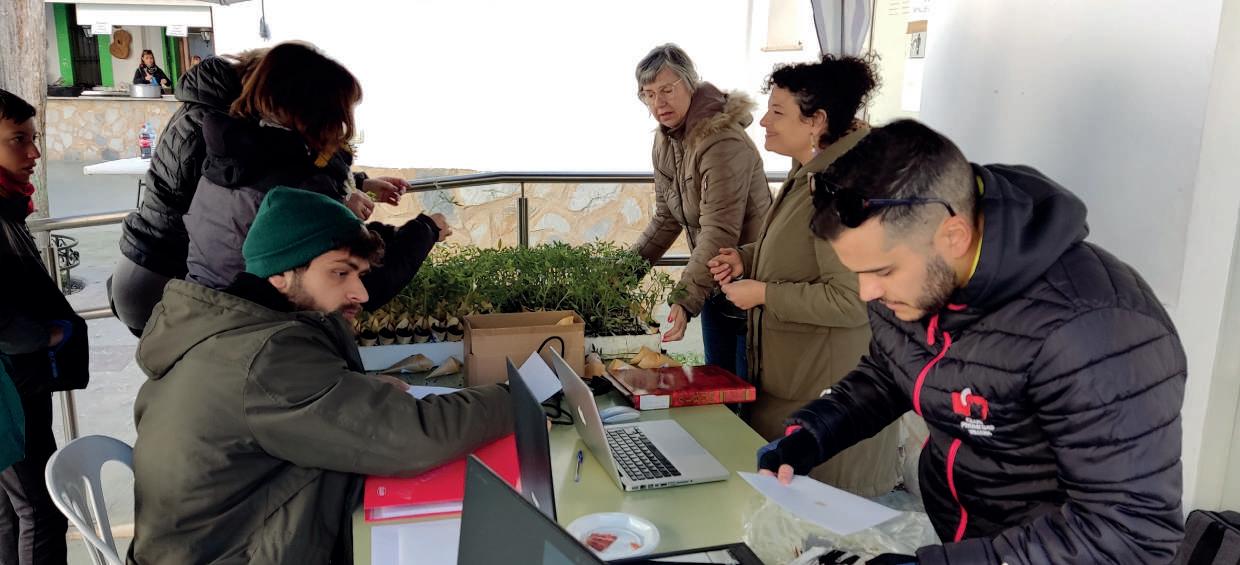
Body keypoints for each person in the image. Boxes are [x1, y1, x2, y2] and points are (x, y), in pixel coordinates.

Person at [757, 119, 1186, 564]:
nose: (867, 292)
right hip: (964, 538)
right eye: (857, 272)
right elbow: (892, 370)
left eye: (882, 271)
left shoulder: (1094, 330)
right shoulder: (916, 283)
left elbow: (1130, 531)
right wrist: (814, 433)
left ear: (954, 236)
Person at [128, 187, 513, 564]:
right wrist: (518, 400)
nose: (361, 293)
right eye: (340, 273)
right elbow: (414, 437)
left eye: (359, 274)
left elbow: (281, 404)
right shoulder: (268, 359)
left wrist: (349, 391)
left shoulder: (234, 335)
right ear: (280, 274)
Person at [112, 48, 408, 335]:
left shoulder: (225, 128)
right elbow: (265, 192)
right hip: (166, 278)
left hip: (180, 285)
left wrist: (357, 184)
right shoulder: (217, 133)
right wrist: (339, 204)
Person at [707, 56, 899, 497]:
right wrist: (746, 259)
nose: (764, 122)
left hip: (824, 409)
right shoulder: (809, 171)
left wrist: (763, 294)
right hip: (793, 391)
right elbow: (798, 252)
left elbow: (850, 300)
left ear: (816, 122)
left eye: (777, 112)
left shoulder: (842, 187)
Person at [629, 44, 771, 380]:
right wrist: (618, 276)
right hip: (714, 282)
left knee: (744, 396)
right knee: (718, 389)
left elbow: (719, 231)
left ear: (690, 84)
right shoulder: (666, 140)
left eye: (667, 90)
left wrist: (685, 297)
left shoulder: (721, 141)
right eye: (649, 94)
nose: (658, 103)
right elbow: (666, 218)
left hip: (754, 284)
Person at [0, 89, 91, 565]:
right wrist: (45, 336)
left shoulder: (8, 205)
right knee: (40, 510)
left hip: (18, 383)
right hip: (11, 387)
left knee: (12, 514)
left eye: (33, 138)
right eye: (18, 139)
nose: (34, 152)